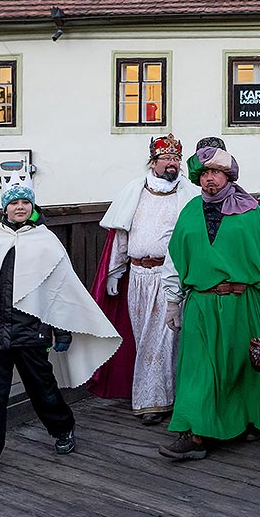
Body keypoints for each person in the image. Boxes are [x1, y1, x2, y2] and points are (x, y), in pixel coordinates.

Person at [0, 166, 121, 482]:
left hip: (31, 331)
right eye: (13, 203)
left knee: (42, 388)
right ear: (4, 207)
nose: (19, 208)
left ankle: (62, 427)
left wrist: (62, 328)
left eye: (25, 203)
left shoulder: (47, 241)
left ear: (32, 206)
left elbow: (60, 289)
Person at [159, 138, 260, 461]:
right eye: (204, 172)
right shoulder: (190, 212)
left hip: (244, 302)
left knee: (241, 368)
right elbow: (175, 259)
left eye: (217, 172)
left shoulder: (251, 212)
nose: (210, 178)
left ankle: (245, 422)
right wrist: (172, 301)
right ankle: (196, 434)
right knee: (199, 371)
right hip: (202, 305)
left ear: (229, 175)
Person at [87, 134, 199, 425]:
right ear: (153, 162)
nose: (172, 164)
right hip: (137, 276)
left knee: (165, 337)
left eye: (176, 159)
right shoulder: (135, 191)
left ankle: (157, 401)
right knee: (143, 336)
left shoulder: (188, 193)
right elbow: (120, 236)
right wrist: (115, 272)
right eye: (167, 159)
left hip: (171, 276)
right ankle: (155, 397)